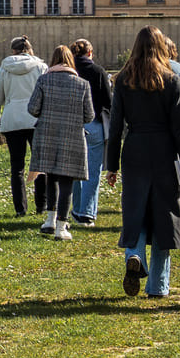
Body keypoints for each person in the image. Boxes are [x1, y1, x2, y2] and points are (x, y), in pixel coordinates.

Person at [105, 27, 180, 298]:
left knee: (136, 209)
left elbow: (116, 126)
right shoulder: (171, 79)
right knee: (164, 216)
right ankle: (158, 285)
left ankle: (135, 255)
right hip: (164, 152)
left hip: (135, 150)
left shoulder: (123, 80)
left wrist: (112, 166)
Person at [26, 45, 95, 240]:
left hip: (47, 135)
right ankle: (61, 227)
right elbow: (89, 115)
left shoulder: (44, 80)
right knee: (67, 182)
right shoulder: (82, 84)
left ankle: (49, 220)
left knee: (51, 176)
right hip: (72, 136)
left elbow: (32, 109)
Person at [0, 37, 48, 219]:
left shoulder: (5, 68)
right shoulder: (40, 67)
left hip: (12, 119)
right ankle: (42, 205)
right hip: (36, 119)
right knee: (40, 163)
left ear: (13, 50)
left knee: (17, 167)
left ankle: (20, 208)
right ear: (30, 49)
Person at [69, 38, 112, 226]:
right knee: (92, 171)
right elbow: (108, 102)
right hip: (94, 124)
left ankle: (76, 209)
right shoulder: (98, 72)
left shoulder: (69, 72)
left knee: (74, 171)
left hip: (71, 125)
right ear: (90, 53)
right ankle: (86, 213)